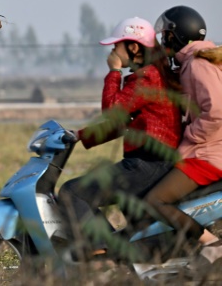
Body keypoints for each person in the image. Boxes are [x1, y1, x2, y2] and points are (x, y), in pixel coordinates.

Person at [58, 17, 183, 260]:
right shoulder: (152, 74)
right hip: (151, 163)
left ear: (133, 47)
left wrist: (114, 71)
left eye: (117, 46)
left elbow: (113, 112)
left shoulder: (147, 77)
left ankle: (103, 253)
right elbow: (122, 122)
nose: (113, 52)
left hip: (148, 164)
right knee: (134, 230)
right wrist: (78, 136)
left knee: (72, 193)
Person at [143, 5, 222, 271]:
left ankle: (211, 244)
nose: (163, 41)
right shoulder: (195, 62)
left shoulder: (198, 64)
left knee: (156, 200)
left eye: (166, 36)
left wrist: (190, 135)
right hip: (208, 151)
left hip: (208, 155)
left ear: (178, 36)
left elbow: (217, 111)